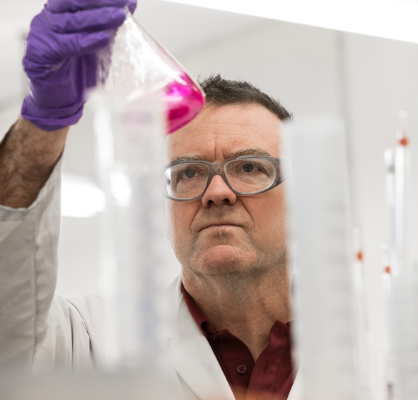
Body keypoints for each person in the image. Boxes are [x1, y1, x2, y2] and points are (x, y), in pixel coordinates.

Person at [0, 1, 297, 399]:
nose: (216, 193)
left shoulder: (371, 348)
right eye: (188, 173)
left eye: (249, 168)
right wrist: (43, 119)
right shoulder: (88, 340)